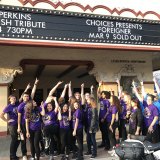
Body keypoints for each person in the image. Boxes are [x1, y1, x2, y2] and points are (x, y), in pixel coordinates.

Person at [17, 79, 39, 160]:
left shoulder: (30, 102)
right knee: (23, 140)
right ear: (22, 97)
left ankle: (34, 154)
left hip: (30, 124)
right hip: (23, 124)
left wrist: (35, 84)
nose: (26, 97)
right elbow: (19, 117)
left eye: (27, 96)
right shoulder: (20, 106)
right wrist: (18, 126)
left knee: (31, 140)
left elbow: (33, 92)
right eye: (25, 96)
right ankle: (24, 154)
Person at [0, 95, 20, 160]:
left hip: (18, 124)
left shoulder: (17, 103)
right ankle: (12, 156)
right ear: (10, 99)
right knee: (14, 140)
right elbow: (1, 115)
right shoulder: (8, 107)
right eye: (12, 98)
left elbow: (22, 96)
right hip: (12, 125)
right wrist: (7, 120)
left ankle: (14, 154)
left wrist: (27, 88)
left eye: (14, 98)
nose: (14, 99)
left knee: (18, 140)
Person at [97, 81, 110, 150]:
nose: (102, 95)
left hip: (104, 119)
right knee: (102, 131)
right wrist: (99, 86)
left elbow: (108, 111)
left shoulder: (107, 101)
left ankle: (107, 145)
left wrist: (104, 118)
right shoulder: (101, 99)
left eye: (103, 94)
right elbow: (98, 93)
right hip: (100, 117)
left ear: (106, 95)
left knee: (105, 132)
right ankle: (103, 143)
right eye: (102, 94)